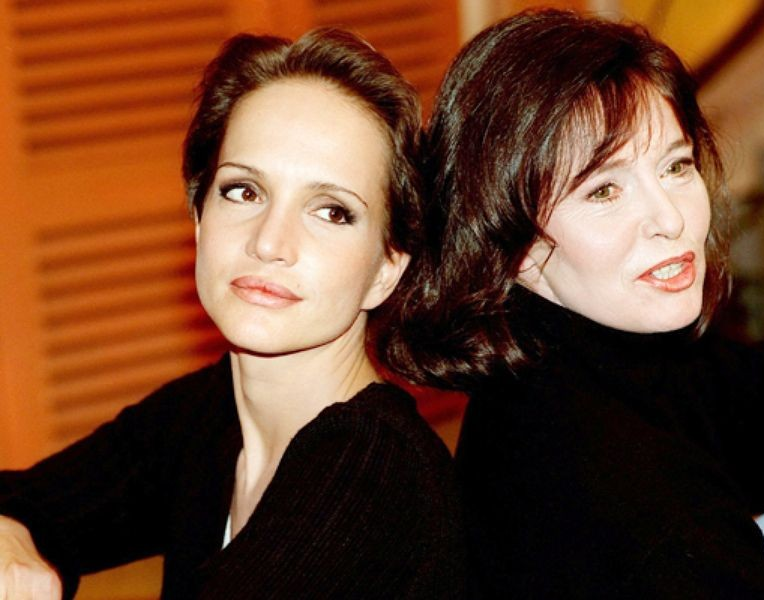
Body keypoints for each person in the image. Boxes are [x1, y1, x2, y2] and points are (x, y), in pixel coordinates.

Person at [0, 28, 465, 599]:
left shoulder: (373, 471)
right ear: (199, 220)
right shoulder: (211, 414)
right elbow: (31, 499)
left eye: (331, 211)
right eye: (244, 191)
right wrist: (10, 533)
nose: (269, 242)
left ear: (386, 269)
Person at [377, 8, 764, 598]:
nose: (670, 218)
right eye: (604, 190)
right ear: (512, 241)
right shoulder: (619, 491)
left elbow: (758, 396)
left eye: (676, 166)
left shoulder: (590, 356)